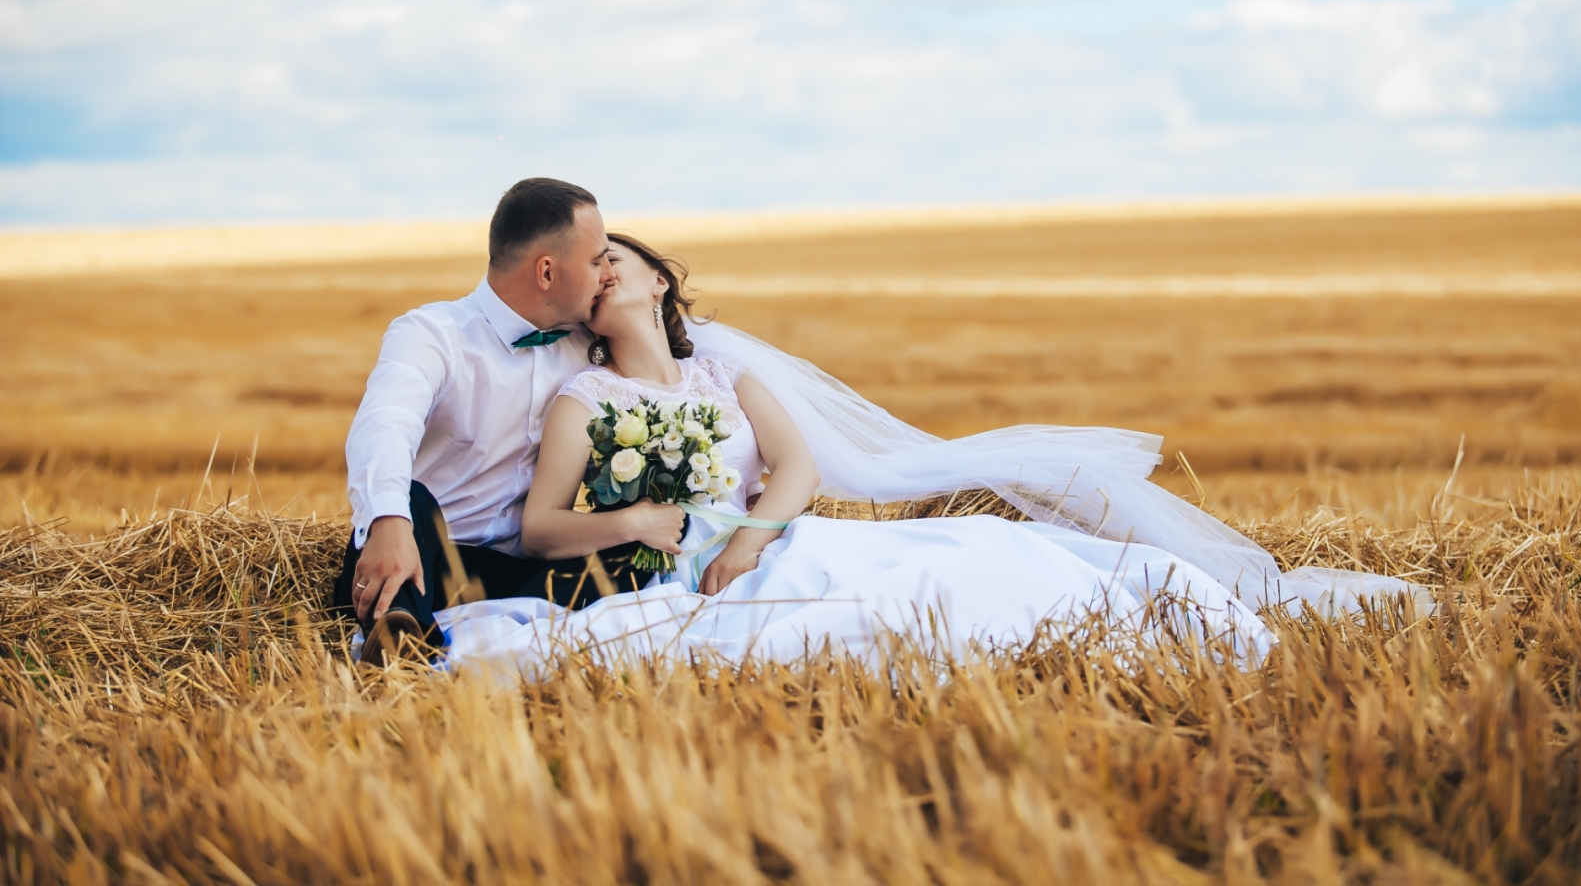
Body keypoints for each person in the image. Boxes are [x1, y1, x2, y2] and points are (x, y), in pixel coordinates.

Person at [435, 236, 1426, 673]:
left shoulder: (726, 380)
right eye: (590, 266)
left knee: (1005, 556)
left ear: (658, 281)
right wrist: (643, 524)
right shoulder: (584, 397)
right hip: (685, 571)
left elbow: (797, 470)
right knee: (928, 605)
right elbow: (540, 526)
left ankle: (1167, 608)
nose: (603, 271)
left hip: (776, 543)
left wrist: (753, 537)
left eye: (620, 258)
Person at [334, 178, 683, 664]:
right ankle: (402, 641)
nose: (607, 274)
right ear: (546, 271)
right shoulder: (432, 334)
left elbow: (666, 369)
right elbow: (385, 424)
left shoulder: (589, 348)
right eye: (596, 260)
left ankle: (504, 632)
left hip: (529, 571)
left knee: (629, 550)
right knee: (410, 499)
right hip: (425, 558)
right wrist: (388, 522)